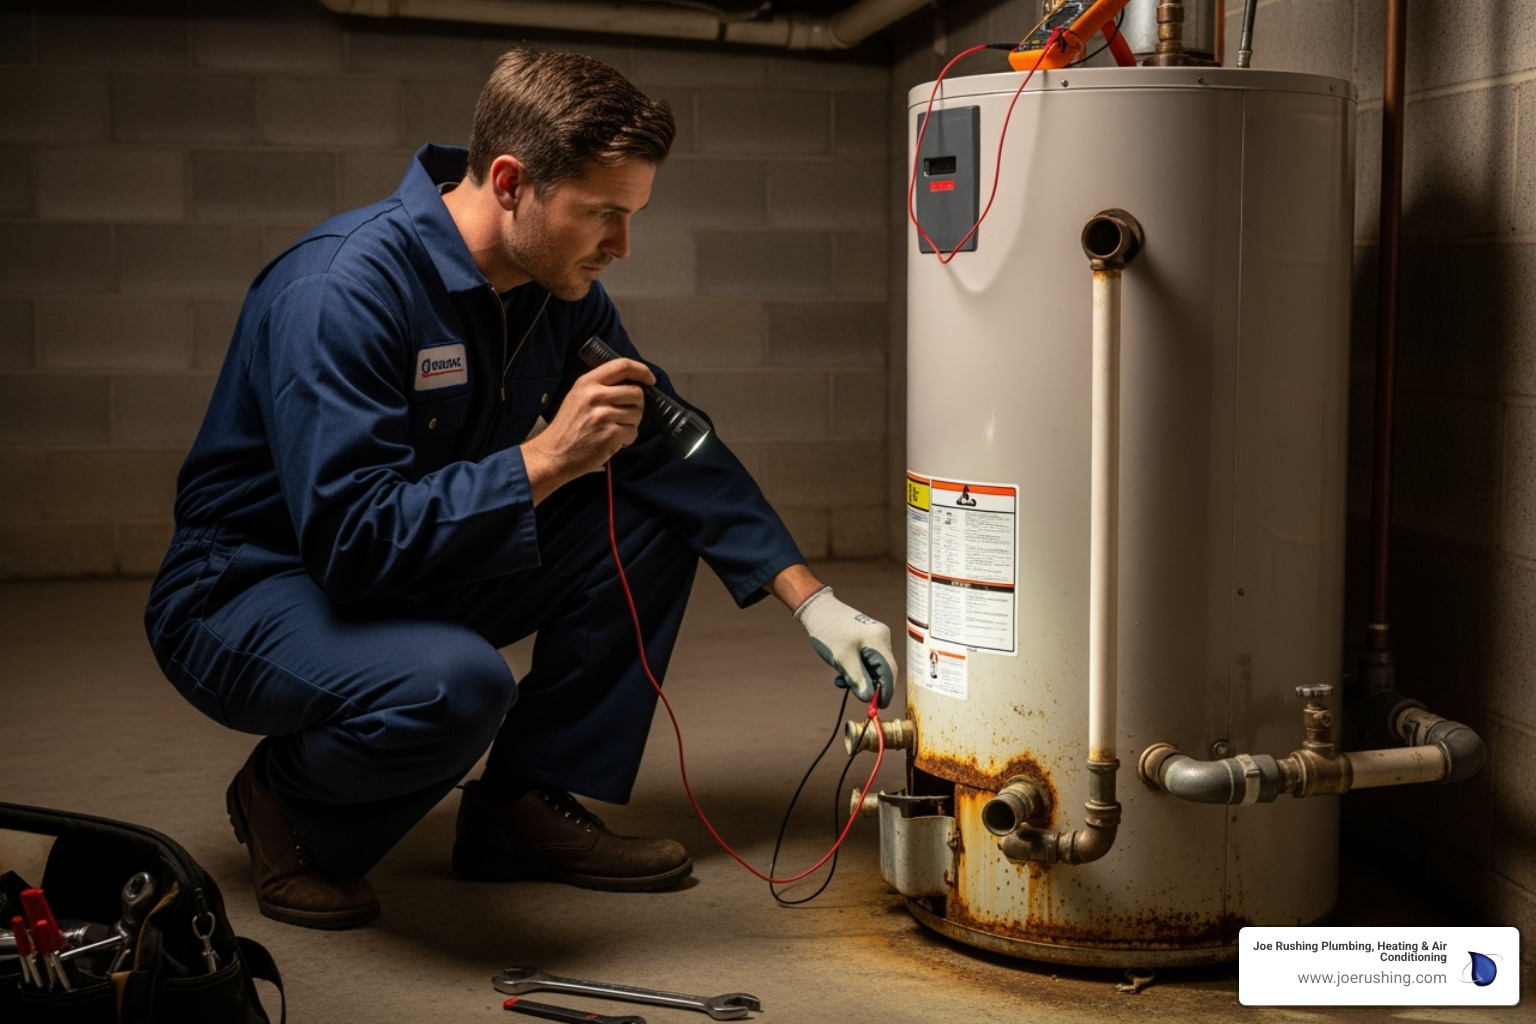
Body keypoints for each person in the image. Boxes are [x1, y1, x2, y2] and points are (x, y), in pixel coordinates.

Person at [143, 48, 896, 930]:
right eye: (603, 215)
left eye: (634, 215)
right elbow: (350, 542)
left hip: (405, 562)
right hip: (252, 586)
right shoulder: (342, 288)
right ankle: (286, 803)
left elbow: (665, 442)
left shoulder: (558, 289)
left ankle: (521, 807)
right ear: (510, 181)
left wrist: (810, 600)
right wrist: (545, 459)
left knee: (645, 515)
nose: (622, 246)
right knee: (454, 687)